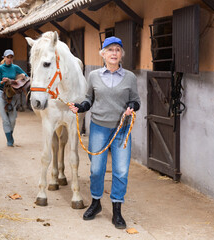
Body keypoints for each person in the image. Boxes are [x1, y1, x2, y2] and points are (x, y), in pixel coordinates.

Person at [69, 36, 140, 229]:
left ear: (121, 54)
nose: (114, 53)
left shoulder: (130, 77)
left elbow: (136, 100)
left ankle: (117, 210)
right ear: (103, 54)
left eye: (117, 50)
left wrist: (132, 106)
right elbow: (88, 99)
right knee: (96, 169)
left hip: (122, 129)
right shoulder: (93, 76)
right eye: (110, 50)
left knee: (121, 171)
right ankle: (96, 203)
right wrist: (80, 107)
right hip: (99, 127)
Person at [0, 49, 28, 147]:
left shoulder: (15, 67)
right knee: (5, 119)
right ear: (4, 58)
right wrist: (3, 81)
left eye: (11, 57)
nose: (9, 59)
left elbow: (25, 75)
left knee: (13, 118)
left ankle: (10, 135)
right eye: (7, 57)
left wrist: (20, 77)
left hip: (12, 94)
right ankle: (10, 140)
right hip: (2, 94)